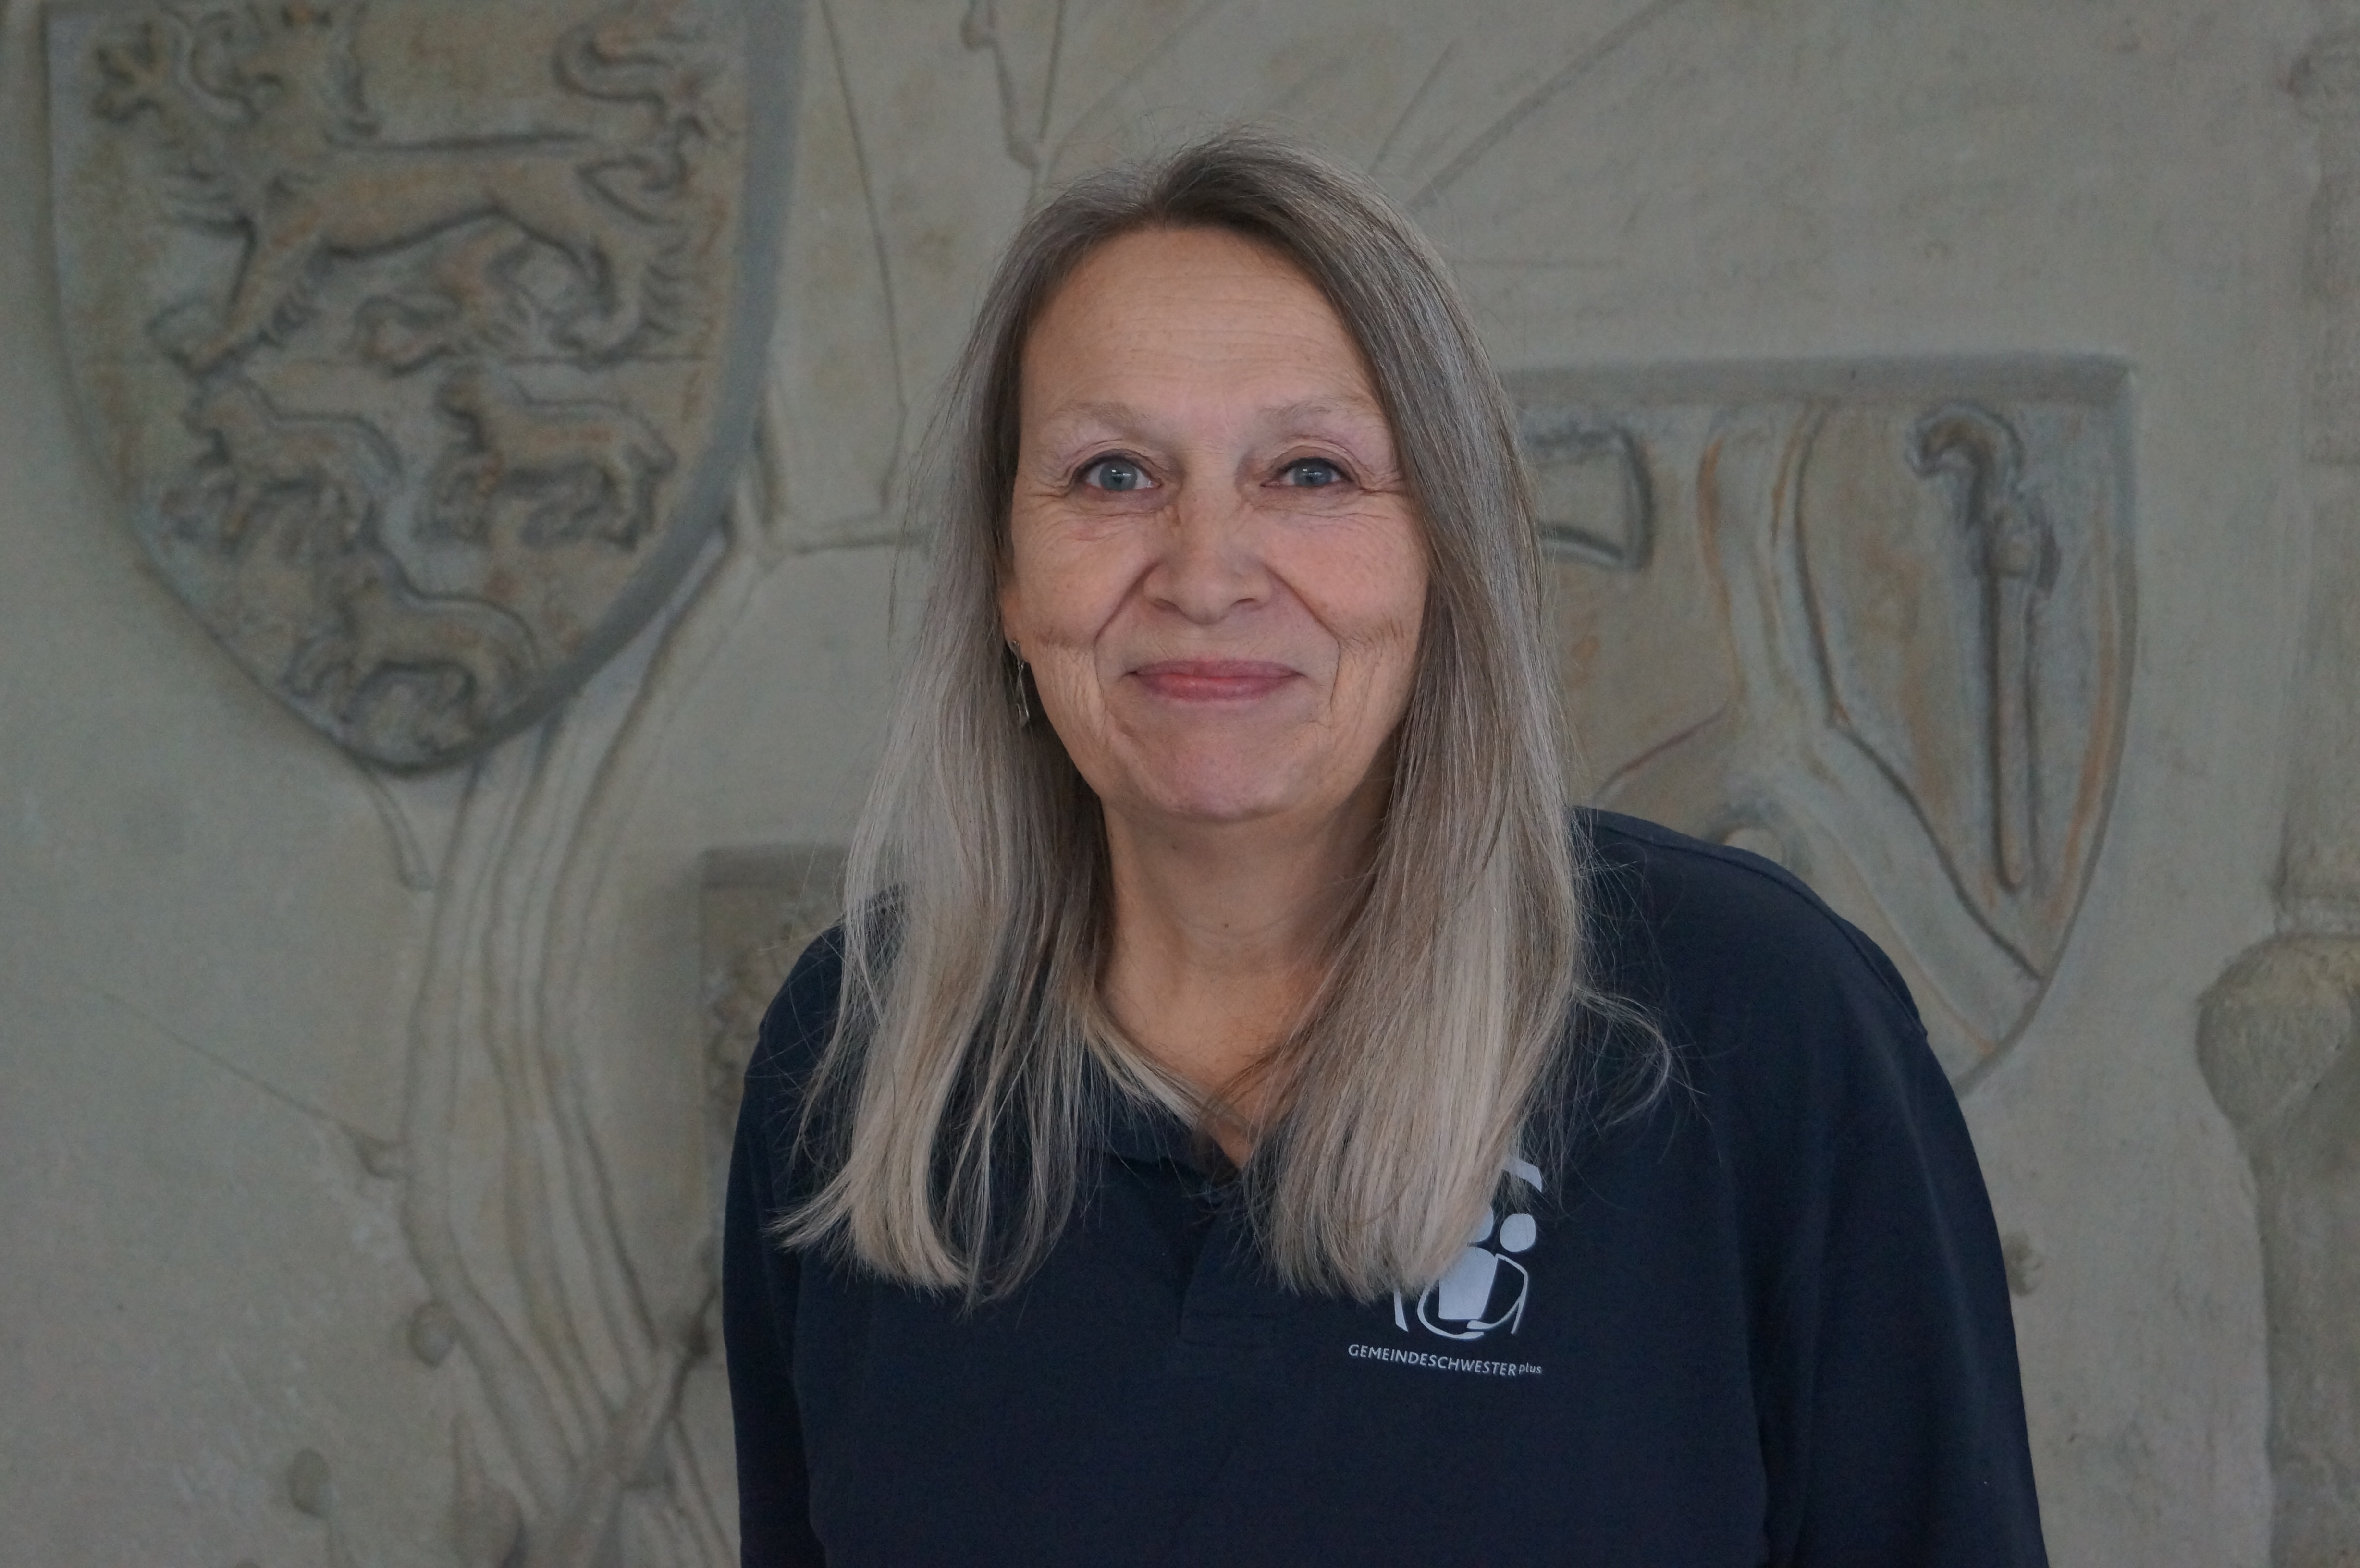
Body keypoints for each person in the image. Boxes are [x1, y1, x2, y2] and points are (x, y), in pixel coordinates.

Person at [723, 129, 2048, 1566]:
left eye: (1309, 471)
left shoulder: (1758, 1025)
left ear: (1448, 549)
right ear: (1001, 570)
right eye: (1112, 476)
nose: (1207, 572)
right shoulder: (862, 1047)